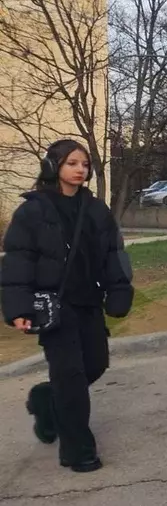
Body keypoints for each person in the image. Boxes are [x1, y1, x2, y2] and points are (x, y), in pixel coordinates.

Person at [1, 140, 134, 472]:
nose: (80, 170)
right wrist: (18, 309)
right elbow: (18, 261)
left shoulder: (95, 209)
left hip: (87, 301)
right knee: (71, 376)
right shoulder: (32, 210)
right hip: (53, 307)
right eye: (72, 163)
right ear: (54, 167)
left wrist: (119, 290)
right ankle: (77, 450)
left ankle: (47, 400)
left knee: (96, 364)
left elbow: (112, 254)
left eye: (85, 165)